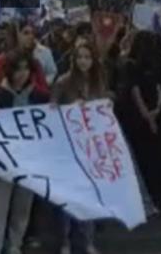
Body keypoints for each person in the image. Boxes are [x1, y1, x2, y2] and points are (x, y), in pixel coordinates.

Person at [0, 50, 50, 254]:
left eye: (25, 68)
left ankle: (14, 245)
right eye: (17, 69)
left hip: (29, 162)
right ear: (8, 71)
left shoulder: (40, 97)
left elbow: (49, 126)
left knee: (22, 208)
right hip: (2, 161)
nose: (21, 73)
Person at [53, 41, 111, 254]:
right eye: (80, 57)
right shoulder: (63, 82)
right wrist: (69, 108)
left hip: (93, 145)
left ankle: (88, 240)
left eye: (87, 57)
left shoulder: (99, 82)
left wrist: (107, 106)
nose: (83, 61)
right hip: (69, 145)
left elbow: (106, 110)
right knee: (67, 196)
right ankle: (65, 241)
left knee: (91, 194)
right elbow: (52, 110)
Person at [121, 30, 161, 205]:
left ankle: (139, 197)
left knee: (138, 157)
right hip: (156, 114)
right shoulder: (160, 62)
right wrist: (156, 111)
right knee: (154, 156)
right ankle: (155, 194)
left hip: (135, 118)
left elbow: (134, 92)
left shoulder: (130, 64)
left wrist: (146, 116)